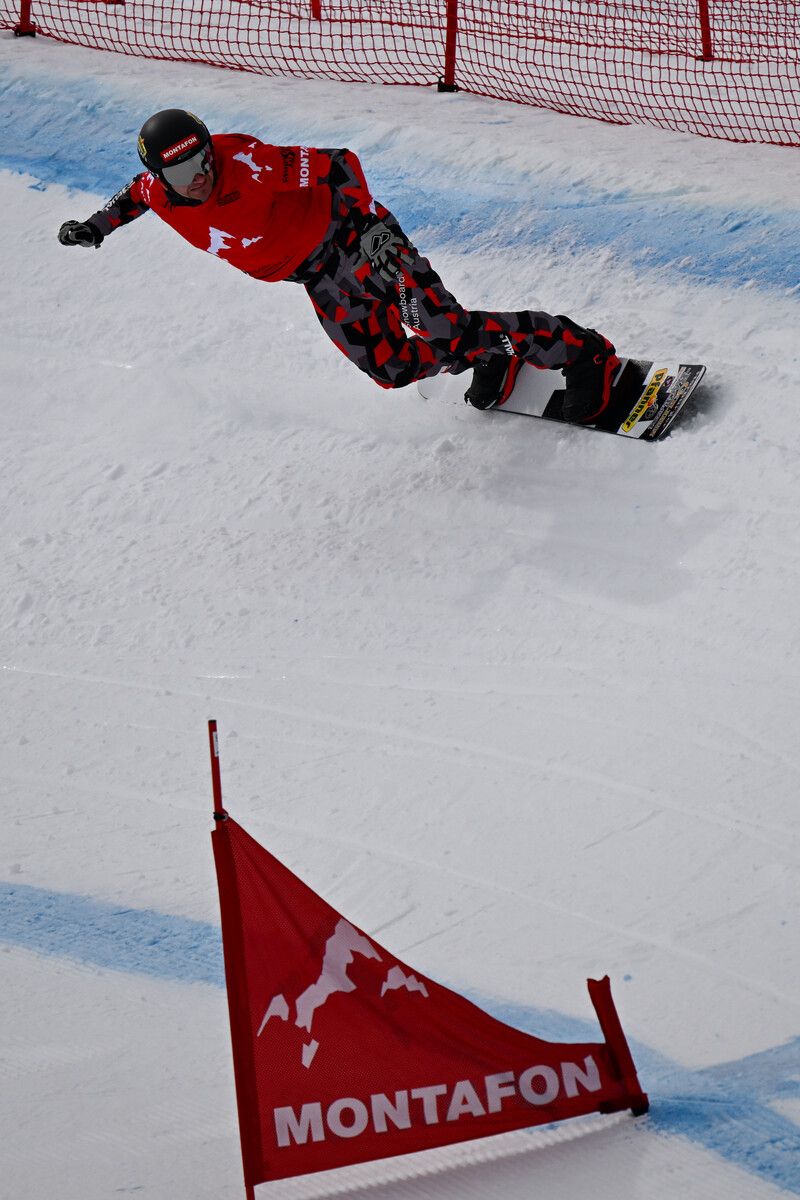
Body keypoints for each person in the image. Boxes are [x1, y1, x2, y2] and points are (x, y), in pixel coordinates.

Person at [58, 108, 619, 419]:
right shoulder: (156, 191)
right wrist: (96, 227)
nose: (199, 177)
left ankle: (581, 350)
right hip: (316, 277)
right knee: (391, 367)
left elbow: (340, 164)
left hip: (358, 239)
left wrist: (364, 231)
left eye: (202, 161)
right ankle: (484, 357)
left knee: (438, 326)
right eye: (181, 175)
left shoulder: (248, 162)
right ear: (161, 176)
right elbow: (130, 197)